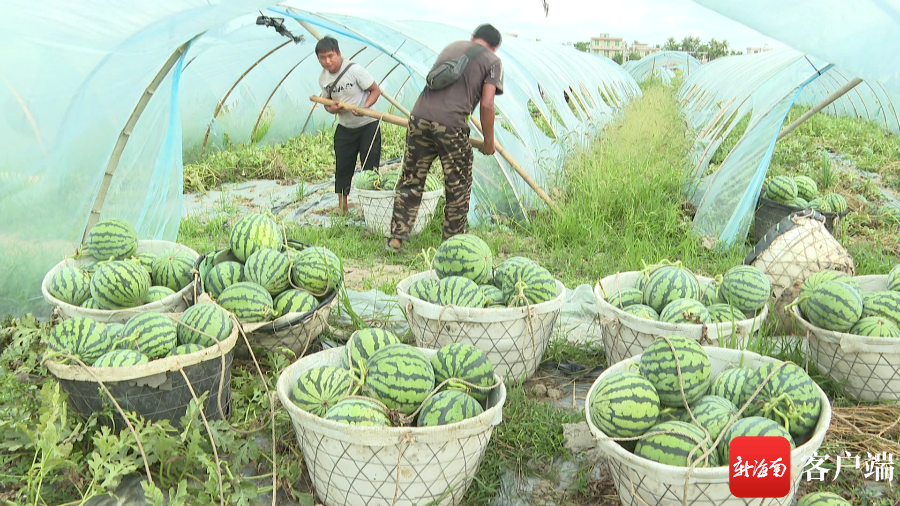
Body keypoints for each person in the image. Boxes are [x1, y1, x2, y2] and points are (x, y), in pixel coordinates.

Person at [386, 24, 504, 251]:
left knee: (411, 178)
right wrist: (488, 142)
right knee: (457, 184)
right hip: (452, 125)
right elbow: (487, 103)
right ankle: (451, 245)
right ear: (495, 47)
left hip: (419, 118)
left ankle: (396, 238)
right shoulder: (492, 61)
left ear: (473, 37)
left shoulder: (452, 47)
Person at [316, 36, 382, 215]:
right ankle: (342, 208)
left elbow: (375, 90)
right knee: (343, 168)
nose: (327, 61)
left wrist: (364, 107)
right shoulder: (323, 78)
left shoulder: (355, 70)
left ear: (338, 54)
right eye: (322, 58)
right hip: (345, 128)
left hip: (368, 124)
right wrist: (333, 108)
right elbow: (326, 103)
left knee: (370, 168)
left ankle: (372, 209)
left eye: (330, 56)